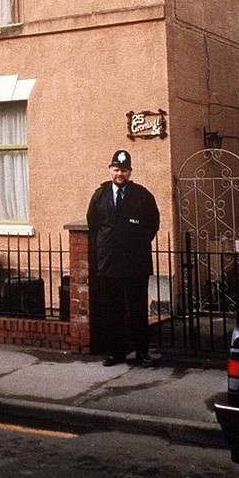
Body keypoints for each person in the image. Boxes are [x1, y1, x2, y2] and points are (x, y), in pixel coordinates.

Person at [87, 148, 160, 367]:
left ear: (130, 172)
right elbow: (93, 225)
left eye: (124, 170)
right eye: (116, 169)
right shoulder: (100, 196)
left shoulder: (142, 195)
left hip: (135, 264)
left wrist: (135, 243)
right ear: (110, 170)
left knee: (138, 311)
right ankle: (114, 353)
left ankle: (142, 353)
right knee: (112, 311)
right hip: (109, 265)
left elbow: (152, 224)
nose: (120, 174)